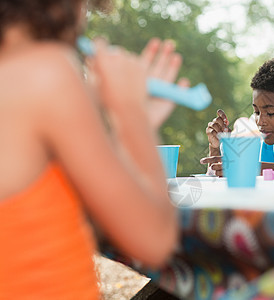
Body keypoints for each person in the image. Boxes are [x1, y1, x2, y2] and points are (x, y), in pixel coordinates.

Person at [0, 0, 188, 298]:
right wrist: (132, 113)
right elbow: (155, 240)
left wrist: (135, 123)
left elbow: (101, 218)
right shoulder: (46, 71)